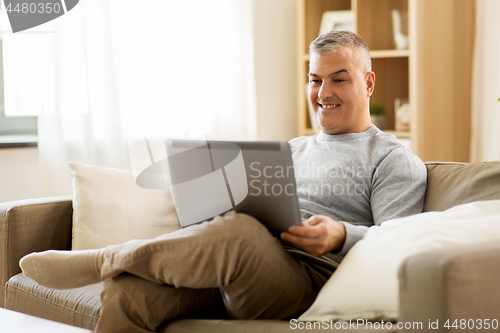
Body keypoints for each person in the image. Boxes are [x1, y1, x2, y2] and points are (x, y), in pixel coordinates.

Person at [19, 31, 427, 333]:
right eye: (315, 79)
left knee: (241, 231)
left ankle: (105, 258)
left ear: (368, 83)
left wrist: (340, 234)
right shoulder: (293, 149)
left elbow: (401, 247)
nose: (323, 92)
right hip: (236, 270)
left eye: (339, 79)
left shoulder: (393, 160)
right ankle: (123, 267)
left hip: (310, 282)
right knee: (129, 293)